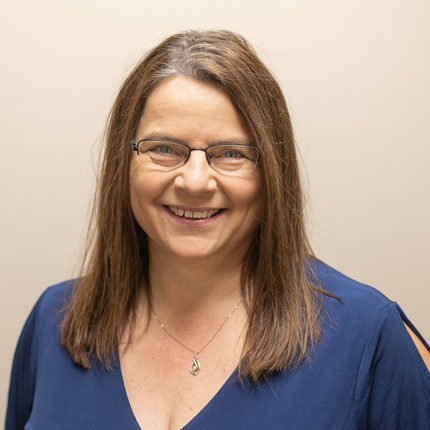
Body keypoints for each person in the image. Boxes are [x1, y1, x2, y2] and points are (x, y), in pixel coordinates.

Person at [6, 30, 430, 430]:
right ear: (125, 162)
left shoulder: (371, 339)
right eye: (164, 149)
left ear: (272, 174)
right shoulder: (53, 322)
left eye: (230, 154)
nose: (194, 181)